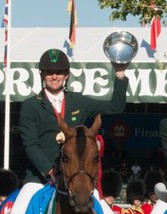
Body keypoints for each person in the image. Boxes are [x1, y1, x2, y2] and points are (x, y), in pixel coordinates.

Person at [19, 48, 130, 185]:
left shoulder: (79, 102)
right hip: (39, 178)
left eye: (59, 72)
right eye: (49, 72)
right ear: (42, 75)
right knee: (20, 206)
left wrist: (119, 73)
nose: (54, 76)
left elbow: (115, 107)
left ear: (67, 75)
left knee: (101, 206)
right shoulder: (30, 106)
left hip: (76, 178)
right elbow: (30, 145)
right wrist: (50, 171)